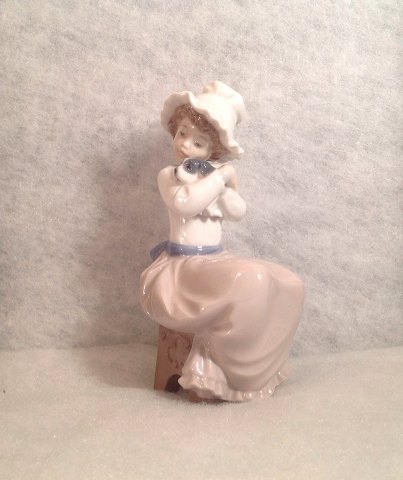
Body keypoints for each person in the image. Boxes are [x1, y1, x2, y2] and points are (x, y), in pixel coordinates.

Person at [140, 81, 304, 401]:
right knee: (252, 279)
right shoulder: (170, 176)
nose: (185, 145)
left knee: (290, 283)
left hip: (215, 259)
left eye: (198, 142)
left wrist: (228, 186)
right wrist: (219, 177)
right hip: (181, 268)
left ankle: (261, 366)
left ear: (212, 150)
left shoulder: (213, 178)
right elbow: (185, 204)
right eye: (182, 133)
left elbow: (237, 211)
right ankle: (232, 372)